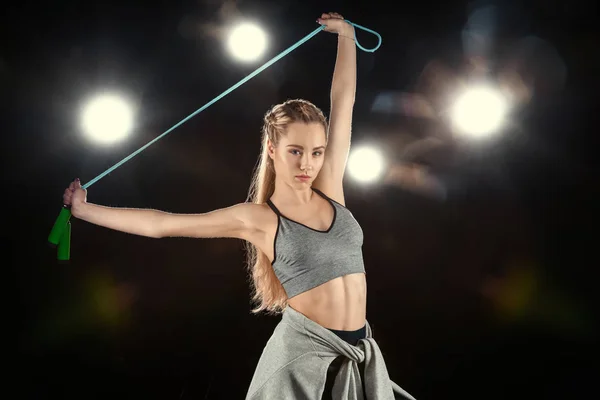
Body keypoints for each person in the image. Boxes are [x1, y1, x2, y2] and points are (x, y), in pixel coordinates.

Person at [62, 12, 415, 400]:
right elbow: (163, 224)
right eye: (295, 151)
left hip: (359, 355)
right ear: (273, 149)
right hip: (307, 363)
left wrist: (346, 37)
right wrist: (85, 210)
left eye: (315, 152)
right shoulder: (260, 219)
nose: (307, 164)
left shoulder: (330, 188)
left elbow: (343, 100)